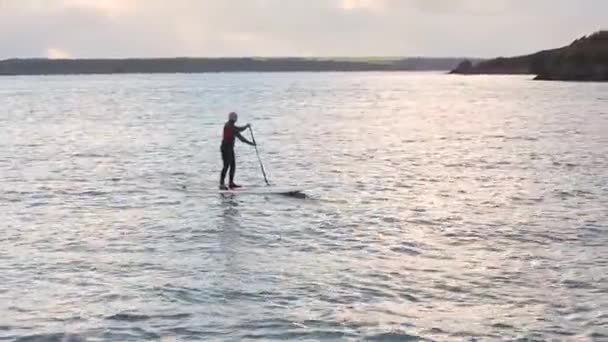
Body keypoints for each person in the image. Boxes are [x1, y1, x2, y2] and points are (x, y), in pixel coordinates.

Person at [220, 112, 255, 190]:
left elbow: (241, 138)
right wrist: (246, 126)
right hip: (225, 148)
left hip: (230, 148)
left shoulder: (233, 128)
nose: (236, 120)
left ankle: (231, 183)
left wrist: (251, 143)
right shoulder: (228, 125)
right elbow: (239, 130)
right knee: (226, 165)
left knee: (233, 165)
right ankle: (221, 184)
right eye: (235, 118)